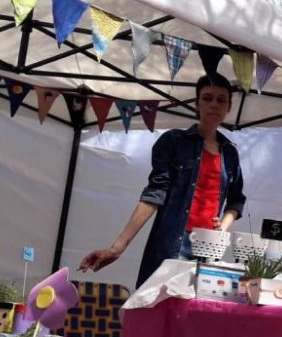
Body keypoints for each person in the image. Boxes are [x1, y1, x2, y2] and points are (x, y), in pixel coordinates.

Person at [80, 74, 246, 287]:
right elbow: (154, 194)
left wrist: (223, 227)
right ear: (197, 104)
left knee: (196, 314)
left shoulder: (230, 153)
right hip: (172, 242)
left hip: (209, 248)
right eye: (207, 98)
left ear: (228, 108)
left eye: (221, 100)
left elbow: (236, 200)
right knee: (157, 310)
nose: (214, 104)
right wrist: (118, 246)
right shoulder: (174, 142)